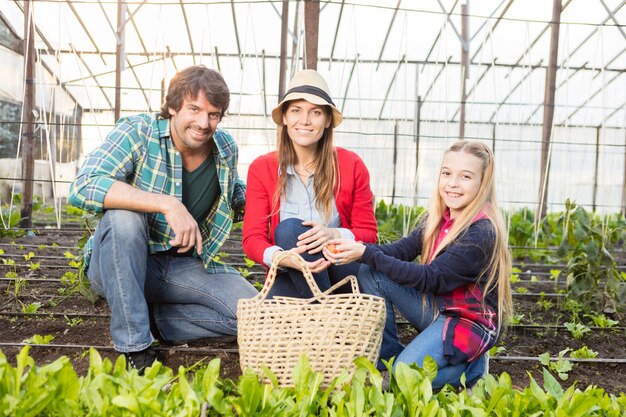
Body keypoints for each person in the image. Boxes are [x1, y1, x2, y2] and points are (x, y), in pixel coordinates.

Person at [68, 65, 258, 373]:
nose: (203, 122)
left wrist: (269, 200)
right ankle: (135, 348)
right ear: (172, 107)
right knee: (123, 218)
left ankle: (147, 317)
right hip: (119, 261)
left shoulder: (224, 148)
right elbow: (84, 184)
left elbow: (235, 193)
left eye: (213, 114)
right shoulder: (139, 132)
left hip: (180, 265)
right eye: (194, 109)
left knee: (252, 313)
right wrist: (167, 204)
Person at [323, 140, 513, 390]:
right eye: (447, 173)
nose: (452, 183)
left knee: (404, 379)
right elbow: (402, 250)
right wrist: (354, 248)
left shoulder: (481, 232)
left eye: (465, 176)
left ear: (483, 182)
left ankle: (472, 371)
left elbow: (430, 278)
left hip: (467, 321)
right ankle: (387, 360)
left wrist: (366, 252)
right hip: (440, 307)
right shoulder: (439, 217)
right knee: (372, 273)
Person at [242, 69, 377, 297]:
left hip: (340, 272)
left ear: (326, 121)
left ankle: (321, 315)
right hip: (290, 272)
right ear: (285, 117)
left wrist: (333, 234)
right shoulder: (262, 168)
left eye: (315, 112)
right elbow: (252, 238)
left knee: (290, 230)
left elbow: (369, 234)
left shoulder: (351, 165)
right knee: (289, 230)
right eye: (296, 110)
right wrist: (283, 257)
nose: (305, 120)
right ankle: (333, 318)